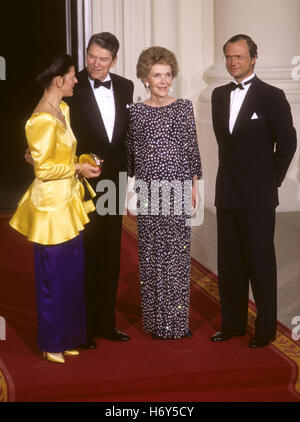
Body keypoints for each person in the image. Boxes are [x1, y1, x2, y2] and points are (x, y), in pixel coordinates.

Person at [9, 53, 100, 363]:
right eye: (73, 76)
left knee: (71, 276)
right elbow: (44, 171)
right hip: (50, 210)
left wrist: (79, 162)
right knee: (53, 279)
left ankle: (66, 337)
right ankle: (50, 343)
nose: (77, 80)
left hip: (68, 203)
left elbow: (53, 156)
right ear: (58, 81)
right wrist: (76, 168)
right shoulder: (39, 120)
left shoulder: (63, 109)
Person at [210, 34, 297, 348]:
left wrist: (270, 180)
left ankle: (265, 329)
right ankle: (232, 324)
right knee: (229, 264)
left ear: (254, 58)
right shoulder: (220, 95)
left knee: (260, 263)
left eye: (240, 57)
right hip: (228, 191)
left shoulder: (272, 96)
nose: (234, 62)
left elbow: (287, 143)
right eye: (229, 57)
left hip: (258, 194)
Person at [126, 46, 202, 339]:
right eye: (157, 75)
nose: (163, 80)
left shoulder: (183, 106)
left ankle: (177, 324)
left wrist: (194, 187)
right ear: (145, 78)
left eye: (167, 74)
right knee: (150, 255)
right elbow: (131, 155)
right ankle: (156, 322)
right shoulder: (135, 112)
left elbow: (192, 150)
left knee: (177, 257)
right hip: (148, 190)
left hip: (179, 187)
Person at [66, 33, 134, 349]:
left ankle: (106, 323)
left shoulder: (124, 86)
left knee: (109, 251)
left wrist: (130, 178)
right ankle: (83, 327)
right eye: (91, 56)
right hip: (81, 182)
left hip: (113, 182)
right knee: (85, 251)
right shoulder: (71, 85)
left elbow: (127, 136)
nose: (95, 63)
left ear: (114, 61)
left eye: (102, 59)